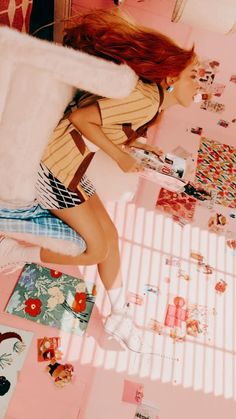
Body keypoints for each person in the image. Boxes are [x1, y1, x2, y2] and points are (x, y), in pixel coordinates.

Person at [0, 9, 199, 353]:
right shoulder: (145, 100)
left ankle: (120, 315)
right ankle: (13, 250)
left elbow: (106, 123)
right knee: (95, 249)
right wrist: (121, 155)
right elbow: (81, 118)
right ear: (171, 77)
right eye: (194, 76)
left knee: (110, 238)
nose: (198, 85)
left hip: (73, 165)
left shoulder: (151, 102)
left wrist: (137, 148)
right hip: (54, 166)